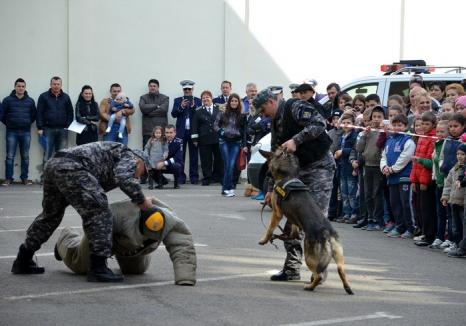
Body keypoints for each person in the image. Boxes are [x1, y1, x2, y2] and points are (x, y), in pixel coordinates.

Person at [10, 141, 155, 283]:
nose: (138, 178)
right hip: (73, 167)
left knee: (50, 216)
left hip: (54, 164)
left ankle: (23, 259)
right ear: (139, 161)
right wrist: (141, 200)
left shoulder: (117, 155)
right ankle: (98, 268)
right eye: (143, 173)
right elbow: (123, 177)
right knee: (100, 213)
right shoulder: (129, 156)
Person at [253, 89, 334, 281]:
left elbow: (320, 123)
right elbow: (276, 159)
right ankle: (291, 268)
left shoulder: (294, 106)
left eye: (263, 109)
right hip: (295, 173)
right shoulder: (275, 123)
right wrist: (271, 190)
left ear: (272, 101)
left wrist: (297, 140)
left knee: (315, 221)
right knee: (292, 220)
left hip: (319, 167)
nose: (262, 115)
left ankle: (319, 270)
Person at [54, 197, 197, 285]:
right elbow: (93, 224)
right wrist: (99, 258)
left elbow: (182, 245)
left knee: (136, 271)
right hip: (105, 238)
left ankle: (128, 256)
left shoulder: (170, 221)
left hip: (134, 247)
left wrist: (185, 278)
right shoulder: (118, 213)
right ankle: (66, 237)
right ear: (140, 222)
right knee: (81, 266)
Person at [380, 114, 416, 238]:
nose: (396, 128)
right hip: (391, 178)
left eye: (399, 125)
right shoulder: (389, 140)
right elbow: (384, 156)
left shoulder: (408, 141)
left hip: (404, 177)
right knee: (395, 203)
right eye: (394, 125)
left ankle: (411, 228)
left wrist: (393, 169)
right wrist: (384, 167)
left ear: (406, 126)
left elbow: (405, 157)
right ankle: (399, 226)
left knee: (405, 203)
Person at [1, 78, 37, 186]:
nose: (21, 88)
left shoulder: (30, 101)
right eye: (18, 86)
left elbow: (34, 116)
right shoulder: (7, 100)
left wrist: (27, 123)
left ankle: (24, 178)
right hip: (11, 132)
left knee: (25, 156)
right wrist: (9, 123)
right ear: (15, 87)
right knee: (10, 156)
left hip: (25, 132)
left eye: (22, 86)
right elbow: (2, 115)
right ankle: (8, 178)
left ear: (25, 88)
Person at [356, 106, 385, 231]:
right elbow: (359, 148)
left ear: (384, 118)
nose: (376, 119)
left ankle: (378, 220)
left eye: (379, 117)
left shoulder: (384, 132)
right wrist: (364, 135)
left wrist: (384, 132)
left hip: (378, 166)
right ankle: (370, 219)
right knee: (367, 194)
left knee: (376, 194)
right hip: (367, 165)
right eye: (374, 117)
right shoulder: (367, 132)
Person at [411, 112, 437, 247]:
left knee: (427, 209)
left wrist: (423, 182)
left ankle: (429, 235)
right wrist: (414, 180)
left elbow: (428, 164)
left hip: (426, 181)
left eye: (427, 124)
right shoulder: (422, 137)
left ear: (433, 125)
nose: (424, 126)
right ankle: (424, 233)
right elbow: (416, 164)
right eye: (422, 124)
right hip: (418, 179)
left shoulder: (432, 139)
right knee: (420, 208)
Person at [214, 93, 247, 197]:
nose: (234, 103)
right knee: (228, 164)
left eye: (236, 101)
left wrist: (244, 143)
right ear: (229, 102)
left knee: (231, 165)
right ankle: (228, 188)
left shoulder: (242, 115)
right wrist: (222, 132)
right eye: (232, 101)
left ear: (238, 103)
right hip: (224, 141)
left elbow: (244, 131)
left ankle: (227, 188)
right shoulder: (222, 112)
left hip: (236, 143)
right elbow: (215, 125)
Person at [171, 80, 202, 185]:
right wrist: (181, 107)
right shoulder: (177, 100)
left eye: (189, 89)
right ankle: (180, 177)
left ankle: (194, 177)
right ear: (183, 90)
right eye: (185, 89)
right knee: (180, 155)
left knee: (194, 155)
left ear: (192, 89)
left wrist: (193, 108)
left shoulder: (198, 100)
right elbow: (173, 114)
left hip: (193, 131)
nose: (187, 91)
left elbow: (200, 115)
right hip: (181, 131)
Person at [36, 76, 73, 161]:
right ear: (50, 84)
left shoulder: (66, 97)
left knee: (61, 154)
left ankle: (58, 174)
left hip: (62, 130)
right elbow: (39, 112)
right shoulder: (43, 96)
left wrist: (67, 125)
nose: (56, 86)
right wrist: (40, 127)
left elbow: (70, 112)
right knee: (47, 153)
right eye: (54, 84)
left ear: (61, 85)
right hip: (48, 129)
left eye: (58, 84)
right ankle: (46, 174)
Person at [191, 90, 223, 186]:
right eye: (203, 98)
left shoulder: (219, 109)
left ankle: (219, 177)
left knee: (219, 159)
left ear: (211, 98)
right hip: (204, 140)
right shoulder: (198, 111)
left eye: (207, 97)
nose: (205, 99)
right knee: (206, 160)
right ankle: (207, 178)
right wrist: (195, 139)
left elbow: (223, 123)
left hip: (217, 138)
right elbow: (194, 126)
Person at [430, 120, 451, 248]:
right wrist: (434, 176)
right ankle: (439, 236)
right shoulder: (437, 143)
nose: (439, 134)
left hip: (446, 183)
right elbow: (435, 164)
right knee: (440, 212)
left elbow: (443, 162)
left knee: (448, 212)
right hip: (438, 181)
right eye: (438, 131)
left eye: (442, 132)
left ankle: (449, 238)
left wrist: (436, 158)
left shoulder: (448, 144)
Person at [441, 145, 465, 255]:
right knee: (456, 226)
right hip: (454, 201)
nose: (460, 157)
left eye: (463, 154)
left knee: (463, 225)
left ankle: (462, 247)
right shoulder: (455, 168)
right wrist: (445, 196)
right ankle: (456, 243)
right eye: (458, 154)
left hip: (463, 203)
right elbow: (448, 184)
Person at [335, 113, 359, 223]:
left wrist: (342, 152)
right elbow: (338, 148)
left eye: (348, 123)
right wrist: (337, 153)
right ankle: (346, 213)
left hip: (350, 168)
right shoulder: (341, 136)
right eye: (344, 123)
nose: (346, 125)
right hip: (342, 167)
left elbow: (354, 150)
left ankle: (353, 214)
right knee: (344, 192)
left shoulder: (354, 136)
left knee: (351, 192)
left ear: (353, 124)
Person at [139, 79, 169, 147]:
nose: (152, 87)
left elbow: (164, 110)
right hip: (147, 131)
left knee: (161, 153)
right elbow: (143, 108)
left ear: (158, 87)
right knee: (146, 153)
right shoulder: (143, 97)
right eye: (150, 86)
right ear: (148, 87)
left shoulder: (165, 98)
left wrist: (148, 112)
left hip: (161, 131)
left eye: (154, 86)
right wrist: (156, 106)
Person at [153, 125, 184, 189]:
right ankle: (161, 182)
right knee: (151, 165)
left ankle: (176, 183)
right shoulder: (160, 141)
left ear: (175, 133)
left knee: (177, 166)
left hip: (173, 164)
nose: (169, 135)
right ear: (164, 133)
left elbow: (177, 157)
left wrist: (164, 163)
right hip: (161, 162)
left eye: (171, 132)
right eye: (167, 133)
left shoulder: (179, 142)